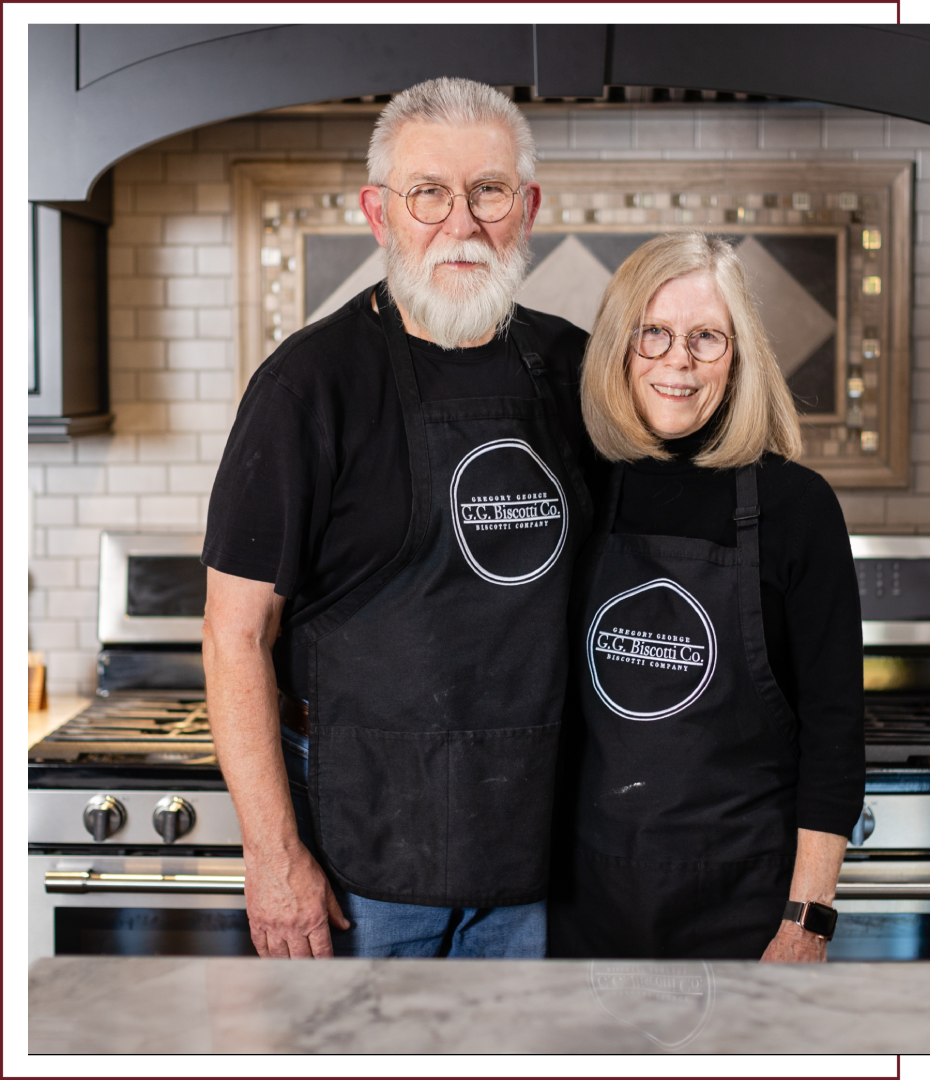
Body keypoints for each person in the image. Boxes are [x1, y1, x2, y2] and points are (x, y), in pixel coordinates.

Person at [201, 78, 592, 960]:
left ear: (526, 208)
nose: (462, 223)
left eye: (488, 191)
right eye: (429, 194)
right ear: (380, 214)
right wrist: (272, 858)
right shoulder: (307, 390)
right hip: (358, 859)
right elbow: (233, 636)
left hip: (539, 844)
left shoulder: (575, 370)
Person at [548, 232, 865, 962]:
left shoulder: (796, 507)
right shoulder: (577, 489)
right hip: (584, 904)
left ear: (740, 354)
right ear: (620, 349)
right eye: (652, 333)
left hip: (747, 910)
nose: (677, 361)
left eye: (706, 338)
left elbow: (834, 736)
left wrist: (805, 922)